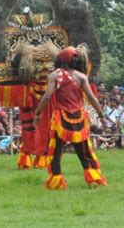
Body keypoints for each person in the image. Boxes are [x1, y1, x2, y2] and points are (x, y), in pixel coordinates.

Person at [34, 46, 107, 189]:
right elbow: (92, 98)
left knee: (55, 150)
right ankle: (93, 178)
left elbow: (47, 96)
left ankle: (56, 182)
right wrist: (101, 115)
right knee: (84, 150)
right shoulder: (81, 76)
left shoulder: (55, 75)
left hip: (60, 117)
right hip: (80, 118)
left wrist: (37, 113)